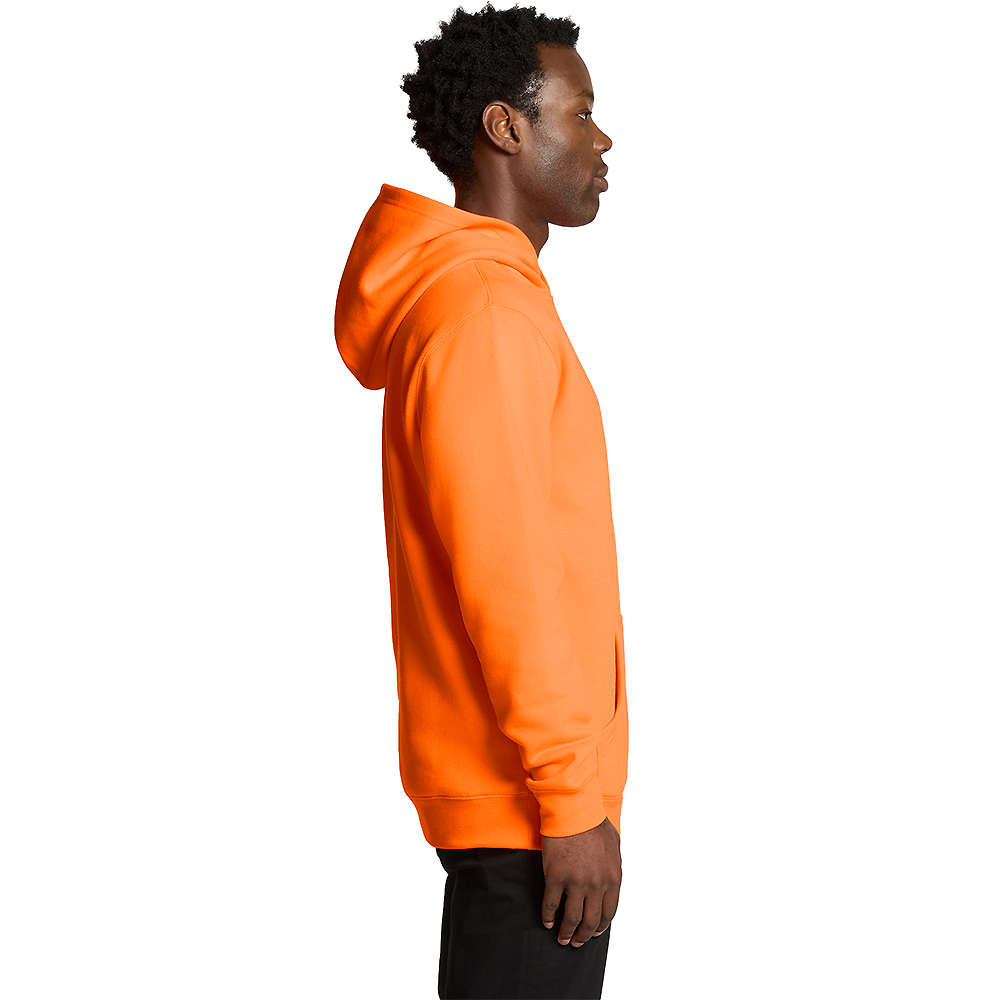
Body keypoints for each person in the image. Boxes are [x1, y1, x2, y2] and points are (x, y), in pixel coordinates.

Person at [335, 5, 628, 997]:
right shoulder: (485, 312)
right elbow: (510, 579)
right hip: (528, 814)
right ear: (507, 127)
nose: (602, 139)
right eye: (579, 112)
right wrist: (571, 799)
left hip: (519, 807)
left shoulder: (486, 302)